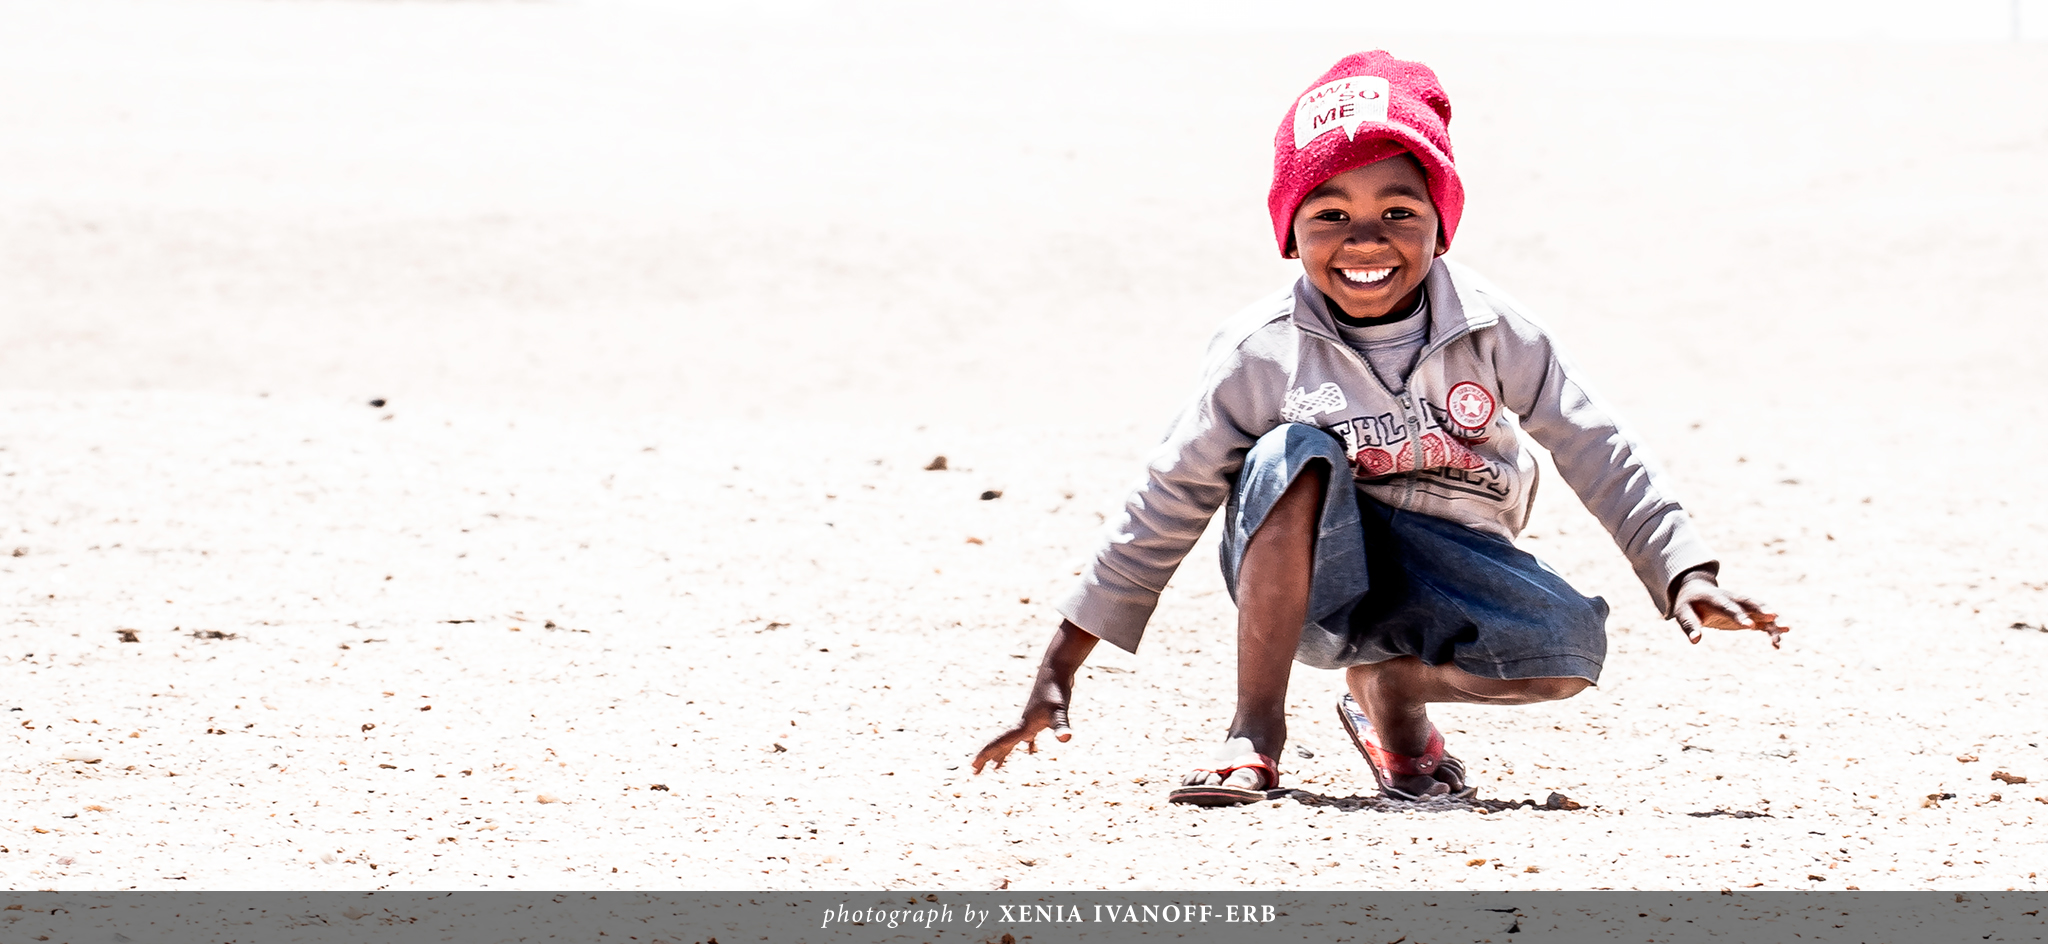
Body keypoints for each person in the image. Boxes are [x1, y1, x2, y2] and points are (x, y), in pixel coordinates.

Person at [971, 51, 1787, 805]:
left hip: (1454, 563)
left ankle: (1392, 692)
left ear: (1441, 224)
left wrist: (1685, 573)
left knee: (1569, 650)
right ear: (1290, 234)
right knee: (1294, 451)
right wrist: (1058, 667)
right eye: (1328, 213)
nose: (1366, 239)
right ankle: (1255, 730)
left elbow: (1595, 443)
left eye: (1399, 209)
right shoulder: (1262, 353)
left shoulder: (1495, 330)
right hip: (1308, 570)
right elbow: (1167, 498)